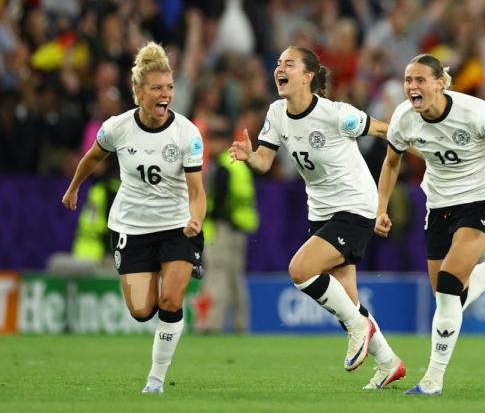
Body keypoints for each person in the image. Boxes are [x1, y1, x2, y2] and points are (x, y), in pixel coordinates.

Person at [229, 46, 404, 389]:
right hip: (321, 210)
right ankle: (388, 362)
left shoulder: (336, 114)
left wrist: (384, 199)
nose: (280, 68)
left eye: (289, 64)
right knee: (347, 303)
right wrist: (250, 157)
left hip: (355, 205)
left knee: (301, 269)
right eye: (278, 63)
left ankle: (360, 328)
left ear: (308, 76)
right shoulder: (276, 113)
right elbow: (265, 161)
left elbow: (387, 131)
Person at [376, 53, 485, 397]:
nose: (412, 86)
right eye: (407, 80)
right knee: (448, 298)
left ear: (440, 83)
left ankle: (432, 379)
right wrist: (381, 207)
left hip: (479, 201)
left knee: (448, 286)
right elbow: (390, 162)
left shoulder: (474, 112)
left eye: (419, 80)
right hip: (438, 205)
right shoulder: (404, 118)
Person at [61, 42, 206, 394]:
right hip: (132, 227)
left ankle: (155, 379)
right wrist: (73, 188)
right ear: (138, 91)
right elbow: (91, 158)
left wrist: (196, 220)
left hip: (176, 226)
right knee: (142, 311)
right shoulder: (117, 128)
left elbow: (197, 192)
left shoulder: (186, 133)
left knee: (171, 301)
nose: (165, 95)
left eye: (169, 87)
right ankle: (162, 275)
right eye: (157, 88)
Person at [201, 117, 258, 334]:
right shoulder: (238, 166)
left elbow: (220, 200)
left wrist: (207, 214)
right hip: (239, 228)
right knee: (235, 279)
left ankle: (213, 323)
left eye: (212, 140)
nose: (210, 145)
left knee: (217, 275)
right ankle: (241, 323)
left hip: (222, 228)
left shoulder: (222, 167)